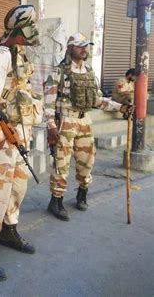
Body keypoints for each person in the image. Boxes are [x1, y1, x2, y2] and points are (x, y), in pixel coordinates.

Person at [0, 5, 42, 281]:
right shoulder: (0, 57)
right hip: (3, 137)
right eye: (26, 33)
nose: (29, 38)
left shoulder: (20, 56)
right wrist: (1, 138)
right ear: (16, 32)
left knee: (17, 186)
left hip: (21, 135)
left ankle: (9, 230)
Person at [43, 33, 132, 221]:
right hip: (65, 122)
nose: (85, 49)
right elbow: (48, 102)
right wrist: (51, 125)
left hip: (85, 122)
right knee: (61, 163)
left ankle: (82, 193)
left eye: (87, 46)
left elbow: (97, 100)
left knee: (87, 160)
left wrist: (120, 107)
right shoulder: (58, 72)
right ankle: (56, 200)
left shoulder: (90, 71)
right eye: (80, 46)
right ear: (70, 48)